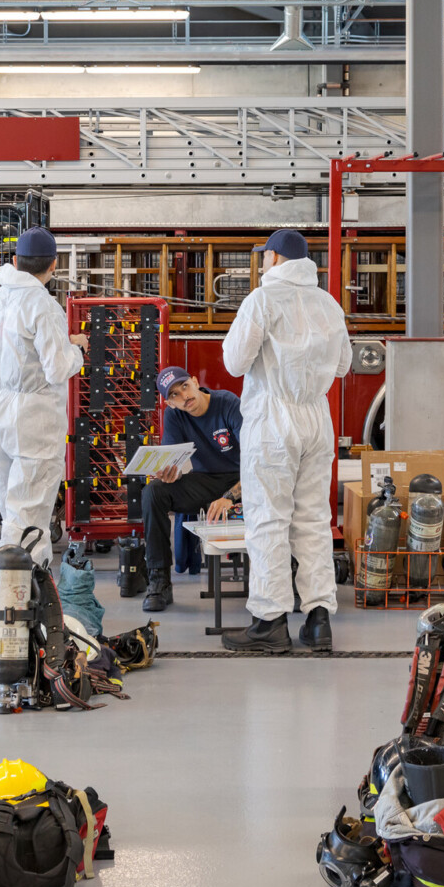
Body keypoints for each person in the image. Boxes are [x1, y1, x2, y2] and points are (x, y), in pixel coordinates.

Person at [220, 229, 352, 654]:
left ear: (274, 258)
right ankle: (318, 621)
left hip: (274, 420)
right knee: (314, 520)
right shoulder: (328, 304)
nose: (262, 263)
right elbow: (345, 366)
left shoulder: (262, 299)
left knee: (268, 519)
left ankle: (269, 621)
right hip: (316, 416)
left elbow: (235, 362)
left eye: (264, 256)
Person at [0, 227, 89, 566]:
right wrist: (77, 349)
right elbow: (57, 369)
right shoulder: (42, 305)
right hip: (34, 414)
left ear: (14, 261)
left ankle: (8, 591)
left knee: (11, 502)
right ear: (53, 265)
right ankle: (24, 593)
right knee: (30, 509)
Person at [138, 366, 243, 613]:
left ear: (195, 381)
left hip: (244, 478)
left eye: (185, 386)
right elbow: (173, 461)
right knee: (154, 492)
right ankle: (159, 582)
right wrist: (169, 472)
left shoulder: (228, 403)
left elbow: (257, 461)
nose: (184, 396)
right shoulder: (174, 416)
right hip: (205, 481)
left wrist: (230, 497)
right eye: (174, 394)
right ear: (169, 403)